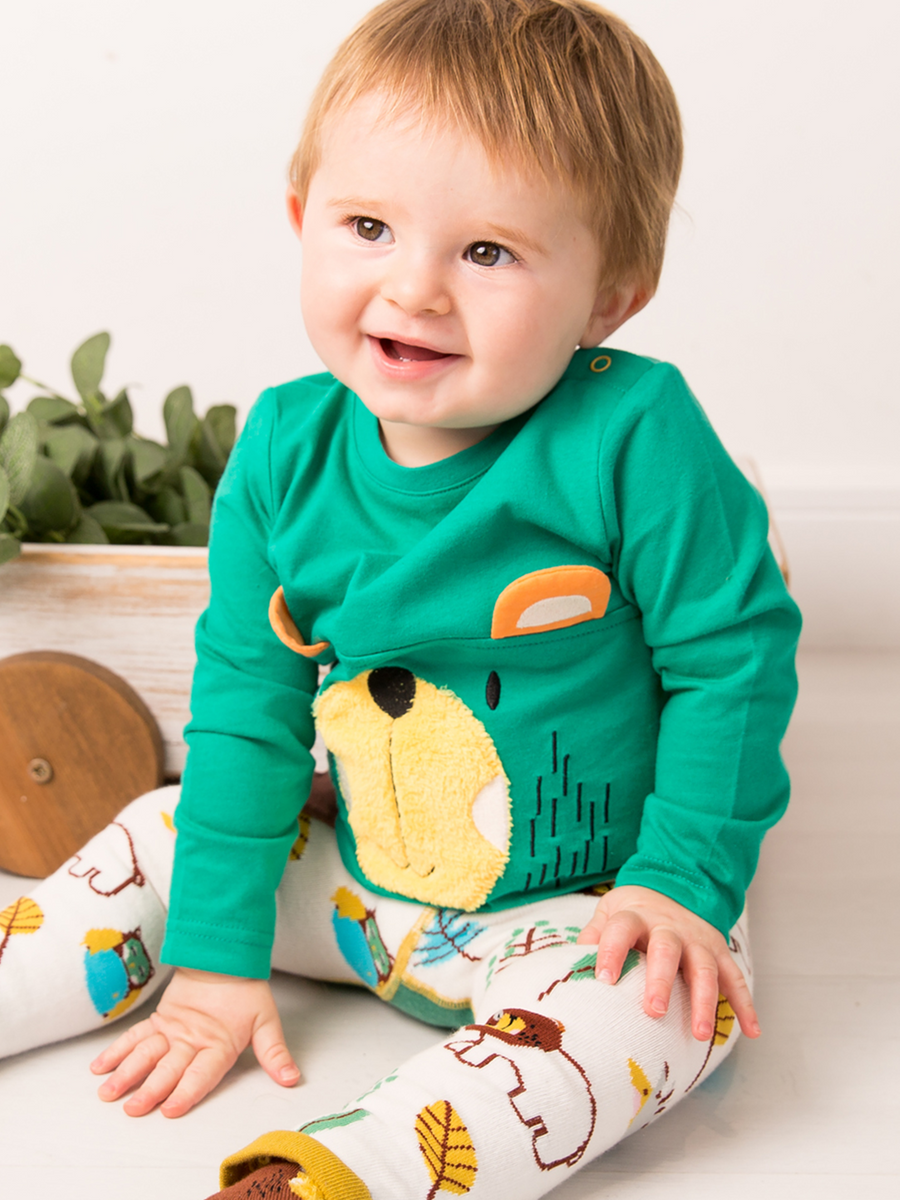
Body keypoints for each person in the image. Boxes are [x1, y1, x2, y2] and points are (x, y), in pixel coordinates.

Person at [0, 2, 801, 1197]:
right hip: (361, 899)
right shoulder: (284, 449)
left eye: (489, 252)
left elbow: (731, 658)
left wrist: (679, 881)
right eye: (369, 227)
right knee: (166, 828)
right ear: (302, 222)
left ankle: (357, 1166)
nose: (414, 289)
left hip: (586, 910)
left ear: (609, 298)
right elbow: (250, 707)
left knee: (671, 1007)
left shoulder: (636, 434)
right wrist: (216, 964)